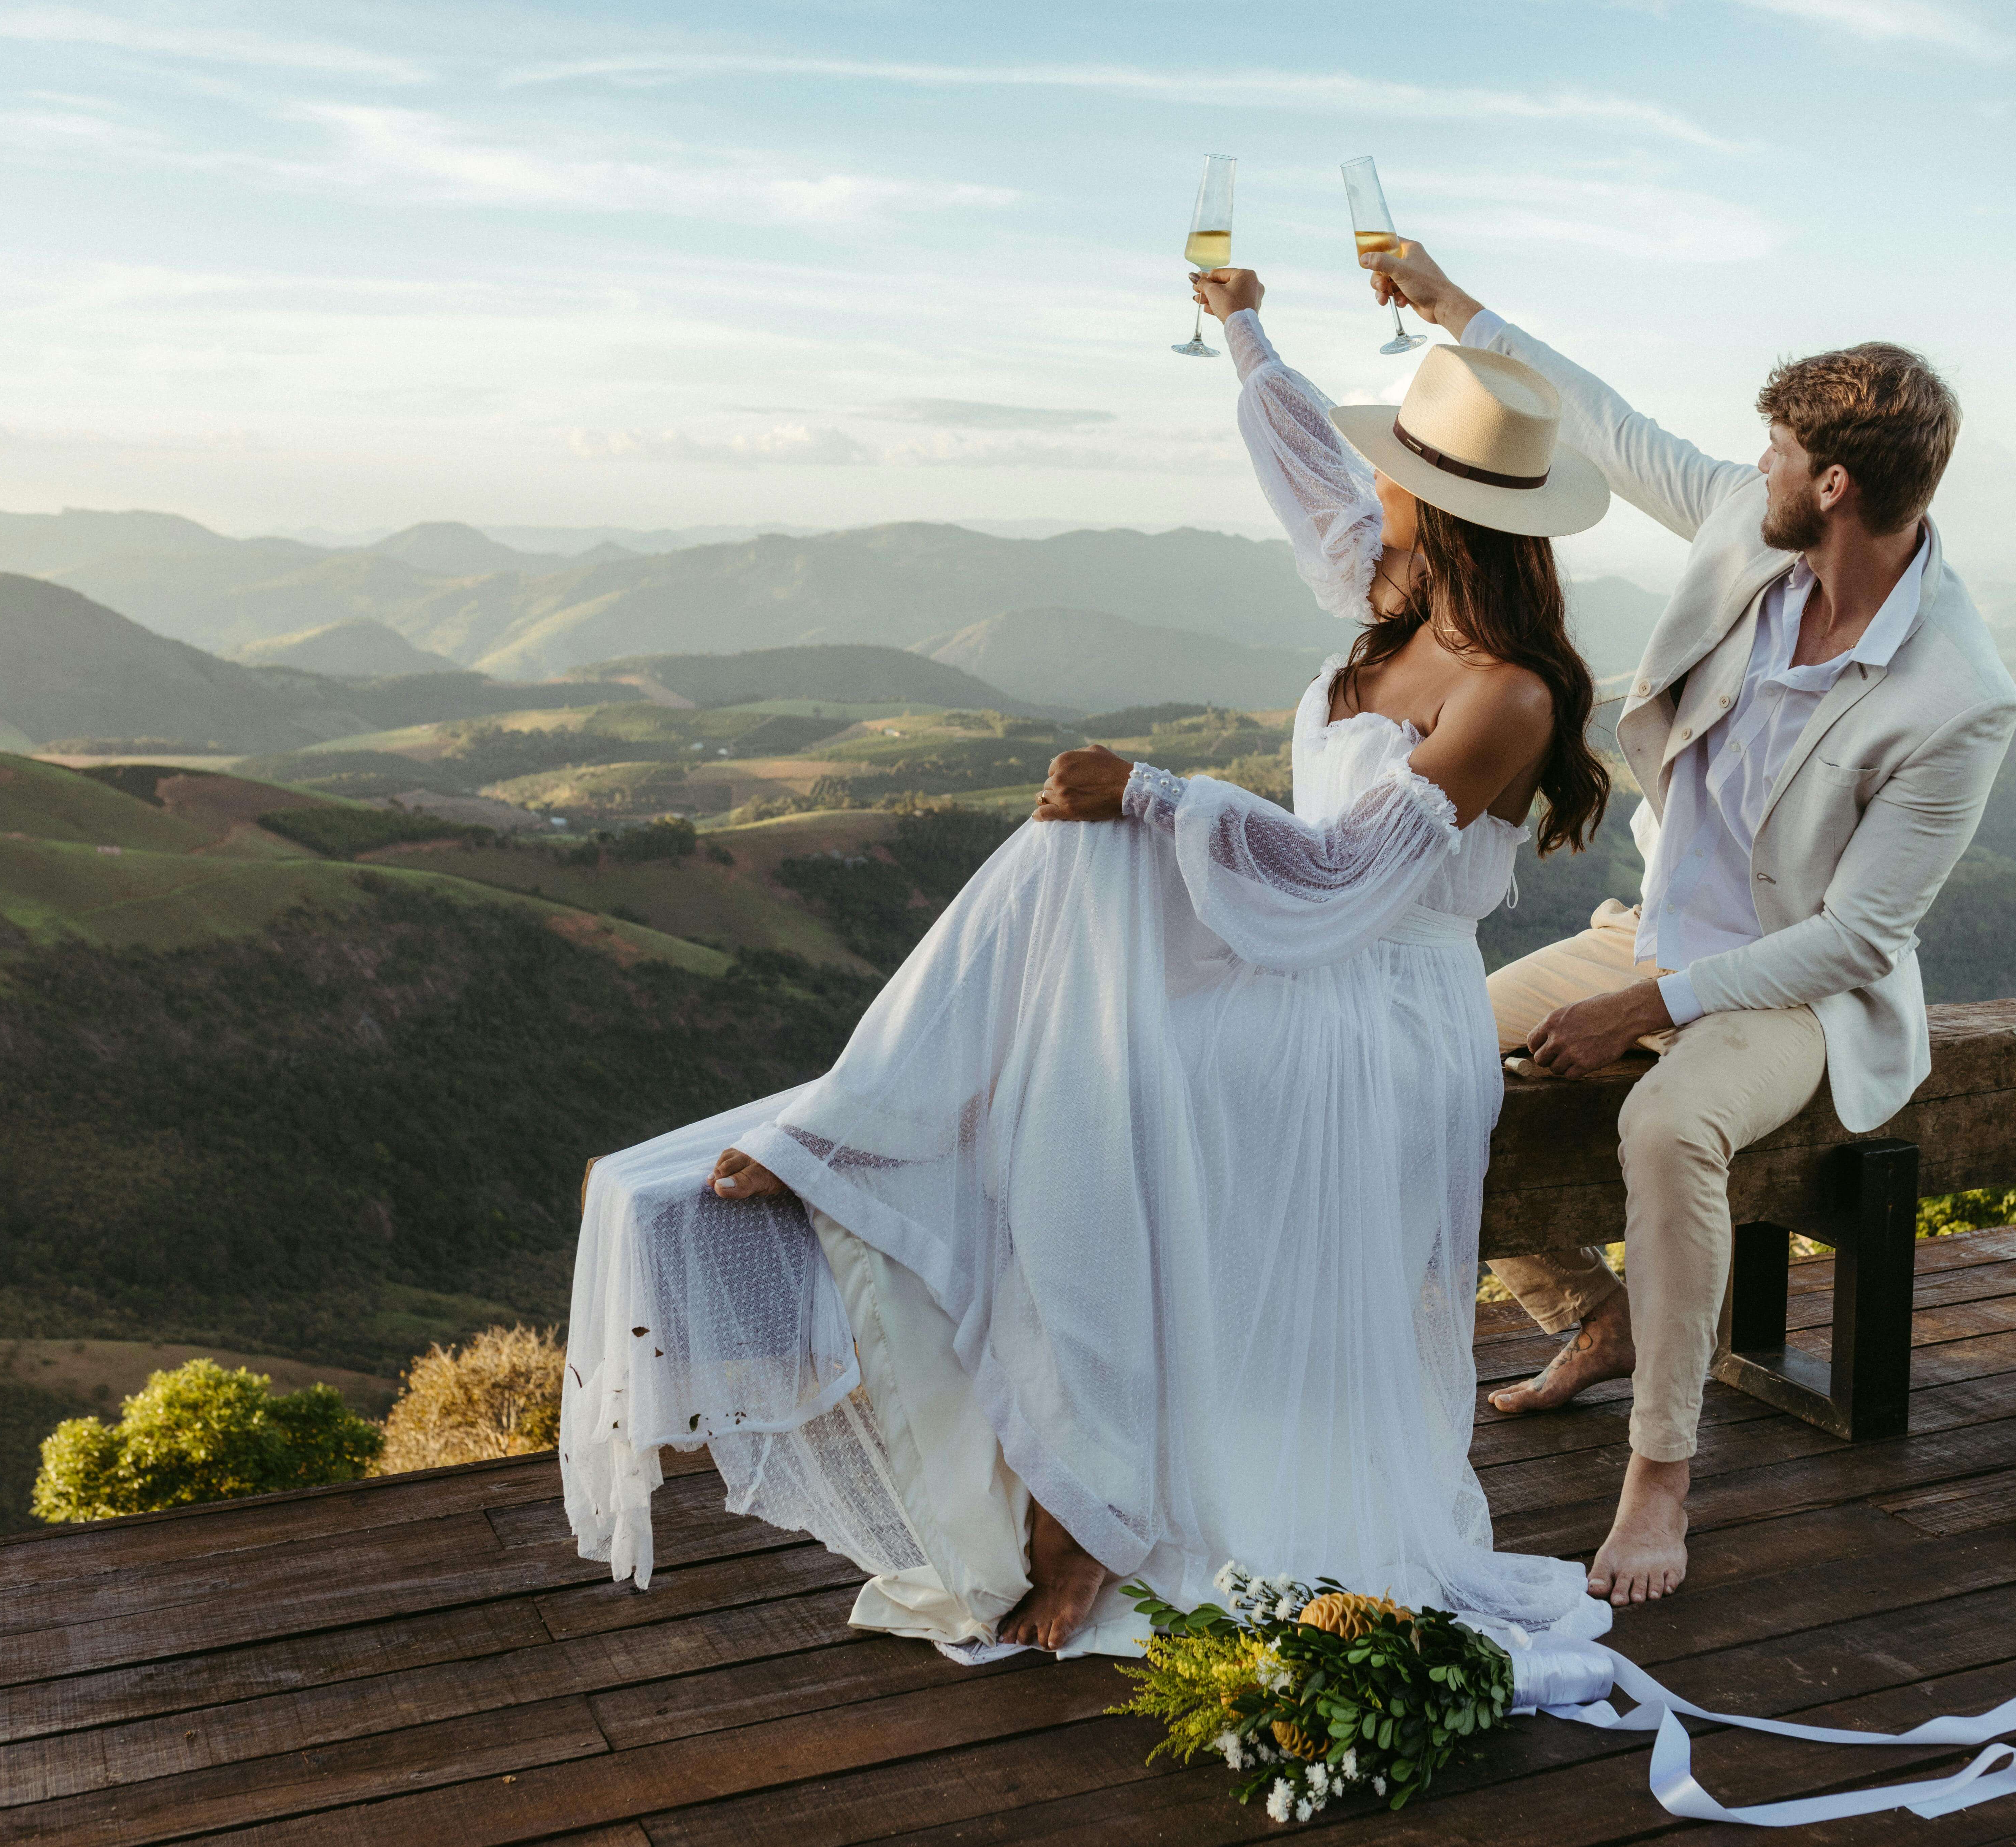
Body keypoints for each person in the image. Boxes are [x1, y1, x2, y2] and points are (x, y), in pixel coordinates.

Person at [560, 265, 1618, 1657]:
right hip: (1291, 969)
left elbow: (1339, 877)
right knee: (1066, 979)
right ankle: (903, 1195)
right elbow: (1303, 461)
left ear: (1449, 502)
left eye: (1394, 465)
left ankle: (1063, 1483)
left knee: (1083, 1043)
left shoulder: (1508, 695)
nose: (1371, 480)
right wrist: (1240, 325)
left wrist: (1158, 796)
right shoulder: (1392, 584)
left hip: (1372, 1010)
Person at [1359, 243, 2016, 1609]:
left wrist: (1643, 1012)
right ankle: (1586, 1313)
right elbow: (1603, 420)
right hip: (1649, 931)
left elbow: (1853, 937)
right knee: (1409, 1047)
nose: (1753, 462)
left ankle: (1659, 1474)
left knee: (1663, 1130)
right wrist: (1449, 305)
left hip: (1792, 994)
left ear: (1831, 483)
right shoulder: (1744, 521)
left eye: (1774, 448)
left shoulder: (1958, 694)